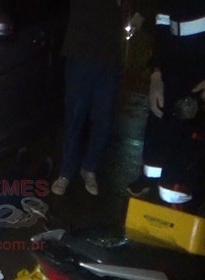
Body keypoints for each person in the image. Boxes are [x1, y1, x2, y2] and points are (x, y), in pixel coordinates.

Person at [128, 0, 205, 203]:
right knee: (159, 135)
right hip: (173, 79)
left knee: (188, 166)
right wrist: (156, 74)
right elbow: (162, 27)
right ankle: (151, 182)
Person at [51, 0, 125, 196]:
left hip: (109, 57)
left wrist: (138, 17)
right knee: (74, 116)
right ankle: (66, 172)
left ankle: (89, 168)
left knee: (104, 119)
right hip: (79, 52)